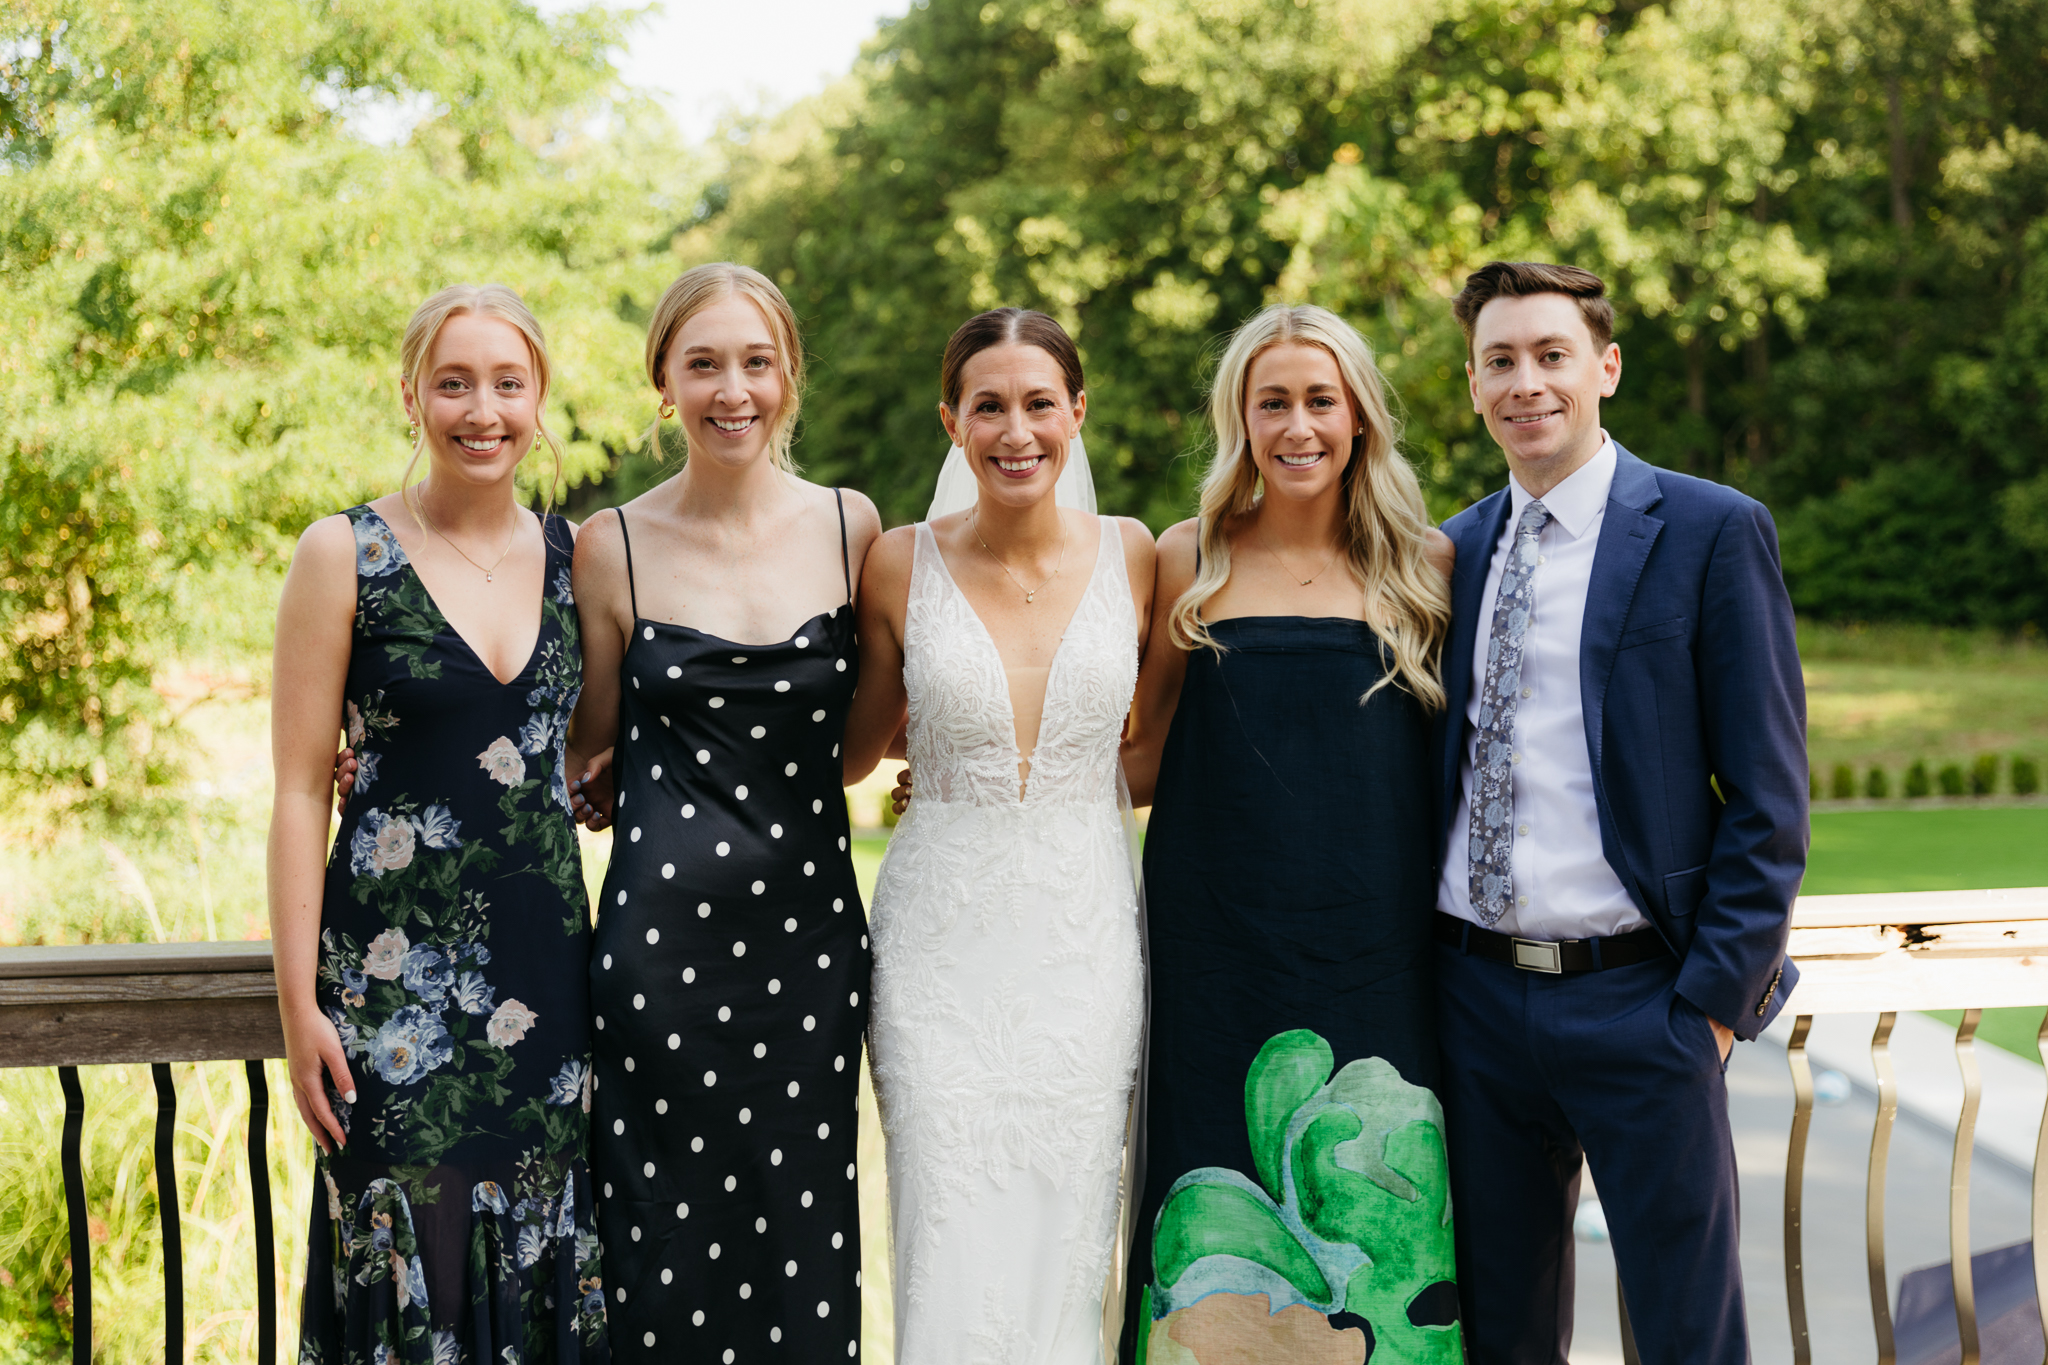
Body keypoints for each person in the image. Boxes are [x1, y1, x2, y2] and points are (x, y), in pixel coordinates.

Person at [1431, 261, 1806, 1365]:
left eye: (1550, 355)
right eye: (1499, 360)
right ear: (1472, 383)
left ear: (1603, 367)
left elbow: (1768, 796)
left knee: (1686, 1335)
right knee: (1500, 1337)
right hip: (1474, 1003)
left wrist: (1710, 1011)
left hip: (1644, 1003)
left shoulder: (1706, 529)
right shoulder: (1447, 553)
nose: (1524, 382)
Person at [268, 283, 607, 1362]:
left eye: (507, 383)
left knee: (534, 1247)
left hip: (546, 982)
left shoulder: (579, 560)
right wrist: (296, 1009)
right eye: (453, 383)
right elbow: (292, 791)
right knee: (416, 1257)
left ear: (540, 396)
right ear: (411, 395)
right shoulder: (344, 553)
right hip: (387, 987)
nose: (481, 410)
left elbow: (603, 741)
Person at [1117, 304, 1460, 1364]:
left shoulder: (1427, 566)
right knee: (1213, 1236)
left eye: (1320, 399)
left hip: (1381, 960)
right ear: (1241, 419)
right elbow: (1136, 756)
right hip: (1215, 960)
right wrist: (967, 773)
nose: (1297, 424)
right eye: (1273, 402)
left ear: (1357, 415)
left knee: (1384, 1235)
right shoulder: (1190, 559)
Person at [563, 262, 883, 1361]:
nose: (730, 388)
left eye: (754, 361)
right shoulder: (610, 546)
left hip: (808, 949)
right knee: (662, 1246)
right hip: (658, 955)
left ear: (788, 376)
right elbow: (584, 737)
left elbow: (874, 728)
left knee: (802, 1234)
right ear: (664, 383)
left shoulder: (853, 527)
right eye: (702, 364)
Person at [844, 308, 1153, 1363]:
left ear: (1076, 412)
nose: (1014, 430)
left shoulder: (1137, 556)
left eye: (1036, 403)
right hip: (939, 947)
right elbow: (848, 750)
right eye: (987, 406)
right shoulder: (894, 564)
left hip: (1082, 941)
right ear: (951, 421)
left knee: (1072, 1232)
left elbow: (1154, 755)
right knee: (946, 1216)